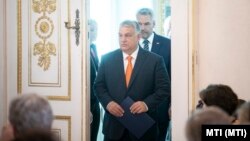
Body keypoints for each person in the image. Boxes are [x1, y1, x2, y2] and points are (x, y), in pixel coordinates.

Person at [94, 20, 170, 141]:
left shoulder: (155, 61)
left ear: (138, 37)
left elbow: (164, 88)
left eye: (128, 35)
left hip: (143, 128)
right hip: (114, 128)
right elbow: (98, 86)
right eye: (120, 35)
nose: (123, 39)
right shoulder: (107, 59)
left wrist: (146, 104)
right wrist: (108, 103)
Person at [136, 8, 171, 141]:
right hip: (136, 107)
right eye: (139, 24)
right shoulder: (131, 44)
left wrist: (172, 104)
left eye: (147, 24)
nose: (143, 28)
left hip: (160, 107)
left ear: (154, 23)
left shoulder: (168, 44)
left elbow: (172, 78)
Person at [89, 19, 100, 141]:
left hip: (96, 101)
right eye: (91, 30)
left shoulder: (93, 48)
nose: (94, 32)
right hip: (88, 104)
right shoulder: (81, 51)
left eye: (96, 29)